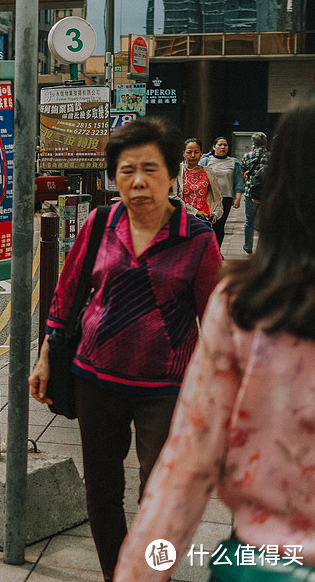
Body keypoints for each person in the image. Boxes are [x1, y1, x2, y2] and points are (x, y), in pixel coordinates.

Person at [115, 94, 315, 581]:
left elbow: (187, 467)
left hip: (266, 562)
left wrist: (144, 570)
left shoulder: (248, 303)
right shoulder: (107, 225)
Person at [29, 117, 222, 581]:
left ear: (173, 174)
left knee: (160, 496)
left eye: (151, 169)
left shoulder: (196, 238)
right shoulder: (100, 223)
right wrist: (46, 356)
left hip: (167, 386)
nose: (138, 181)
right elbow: (66, 295)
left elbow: (215, 320)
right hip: (96, 378)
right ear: (113, 177)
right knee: (101, 489)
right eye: (126, 170)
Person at [200, 136, 243, 247]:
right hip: (209, 198)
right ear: (214, 147)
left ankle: (217, 250)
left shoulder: (234, 163)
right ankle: (208, 250)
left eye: (225, 145)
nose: (223, 147)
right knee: (208, 224)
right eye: (220, 144)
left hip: (226, 198)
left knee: (220, 225)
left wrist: (237, 198)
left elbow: (238, 181)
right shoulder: (206, 161)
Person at [172, 137, 223, 225]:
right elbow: (173, 197)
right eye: (189, 152)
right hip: (183, 218)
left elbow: (217, 198)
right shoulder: (177, 171)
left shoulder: (210, 172)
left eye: (196, 152)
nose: (192, 155)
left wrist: (215, 214)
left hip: (203, 219)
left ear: (201, 153)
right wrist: (195, 212)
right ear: (183, 153)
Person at [239, 131, 269, 254]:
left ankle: (248, 246)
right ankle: (264, 248)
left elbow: (243, 171)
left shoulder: (247, 156)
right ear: (265, 143)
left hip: (250, 192)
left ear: (253, 143)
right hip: (266, 193)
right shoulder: (271, 156)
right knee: (266, 221)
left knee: (249, 221)